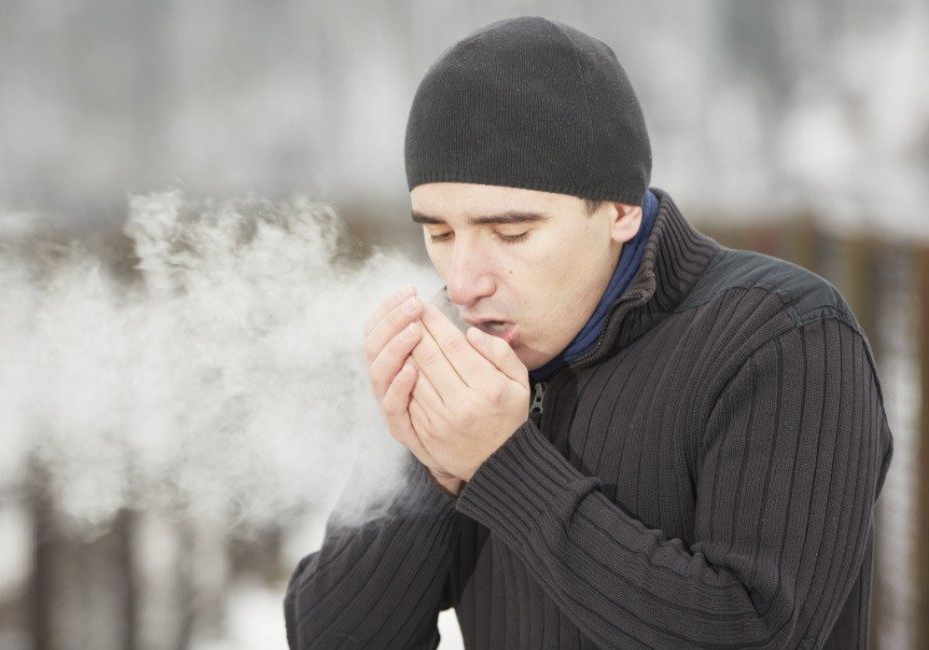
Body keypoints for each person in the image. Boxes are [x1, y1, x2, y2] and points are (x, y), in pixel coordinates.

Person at [284, 15, 893, 649]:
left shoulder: (782, 338)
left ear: (620, 209)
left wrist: (501, 464)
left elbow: (755, 635)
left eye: (511, 233)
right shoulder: (457, 350)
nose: (464, 282)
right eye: (439, 233)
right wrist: (431, 466)